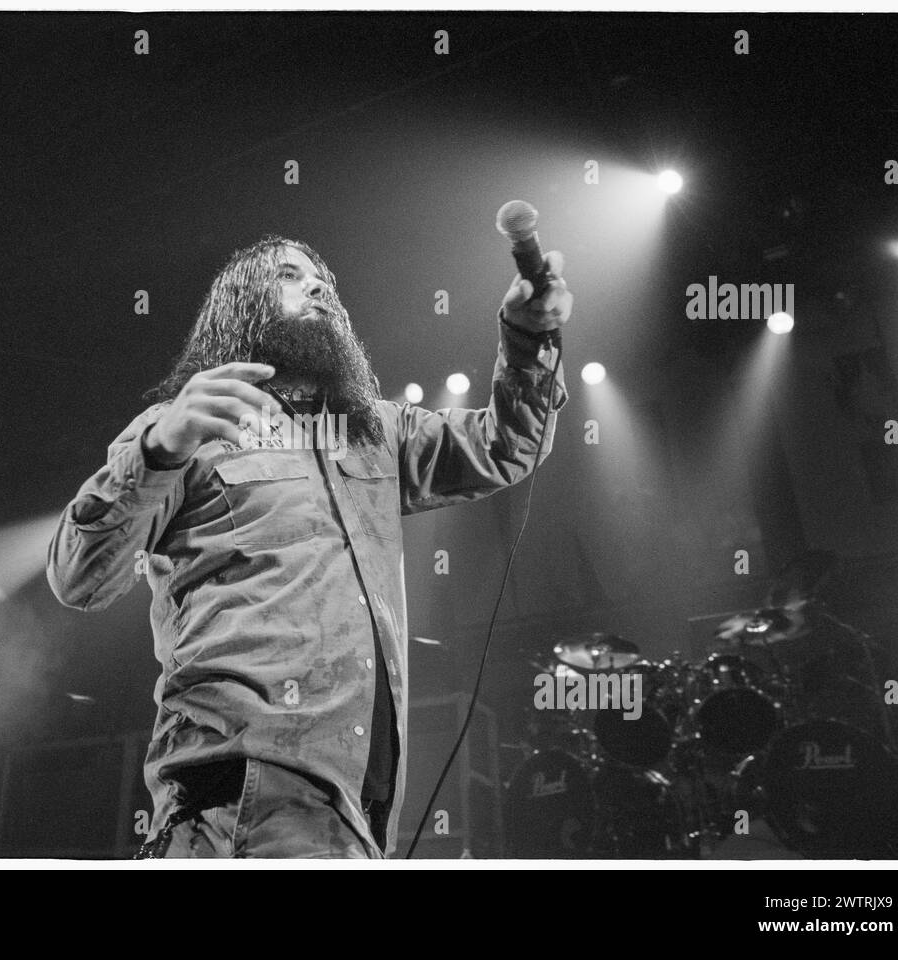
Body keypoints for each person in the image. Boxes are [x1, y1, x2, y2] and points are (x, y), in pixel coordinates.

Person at [46, 235, 571, 857]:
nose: (319, 286)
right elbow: (79, 575)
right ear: (242, 306)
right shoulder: (188, 425)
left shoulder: (375, 431)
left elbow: (506, 447)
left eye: (323, 278)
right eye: (291, 276)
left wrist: (527, 338)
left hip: (360, 802)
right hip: (245, 788)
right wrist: (160, 448)